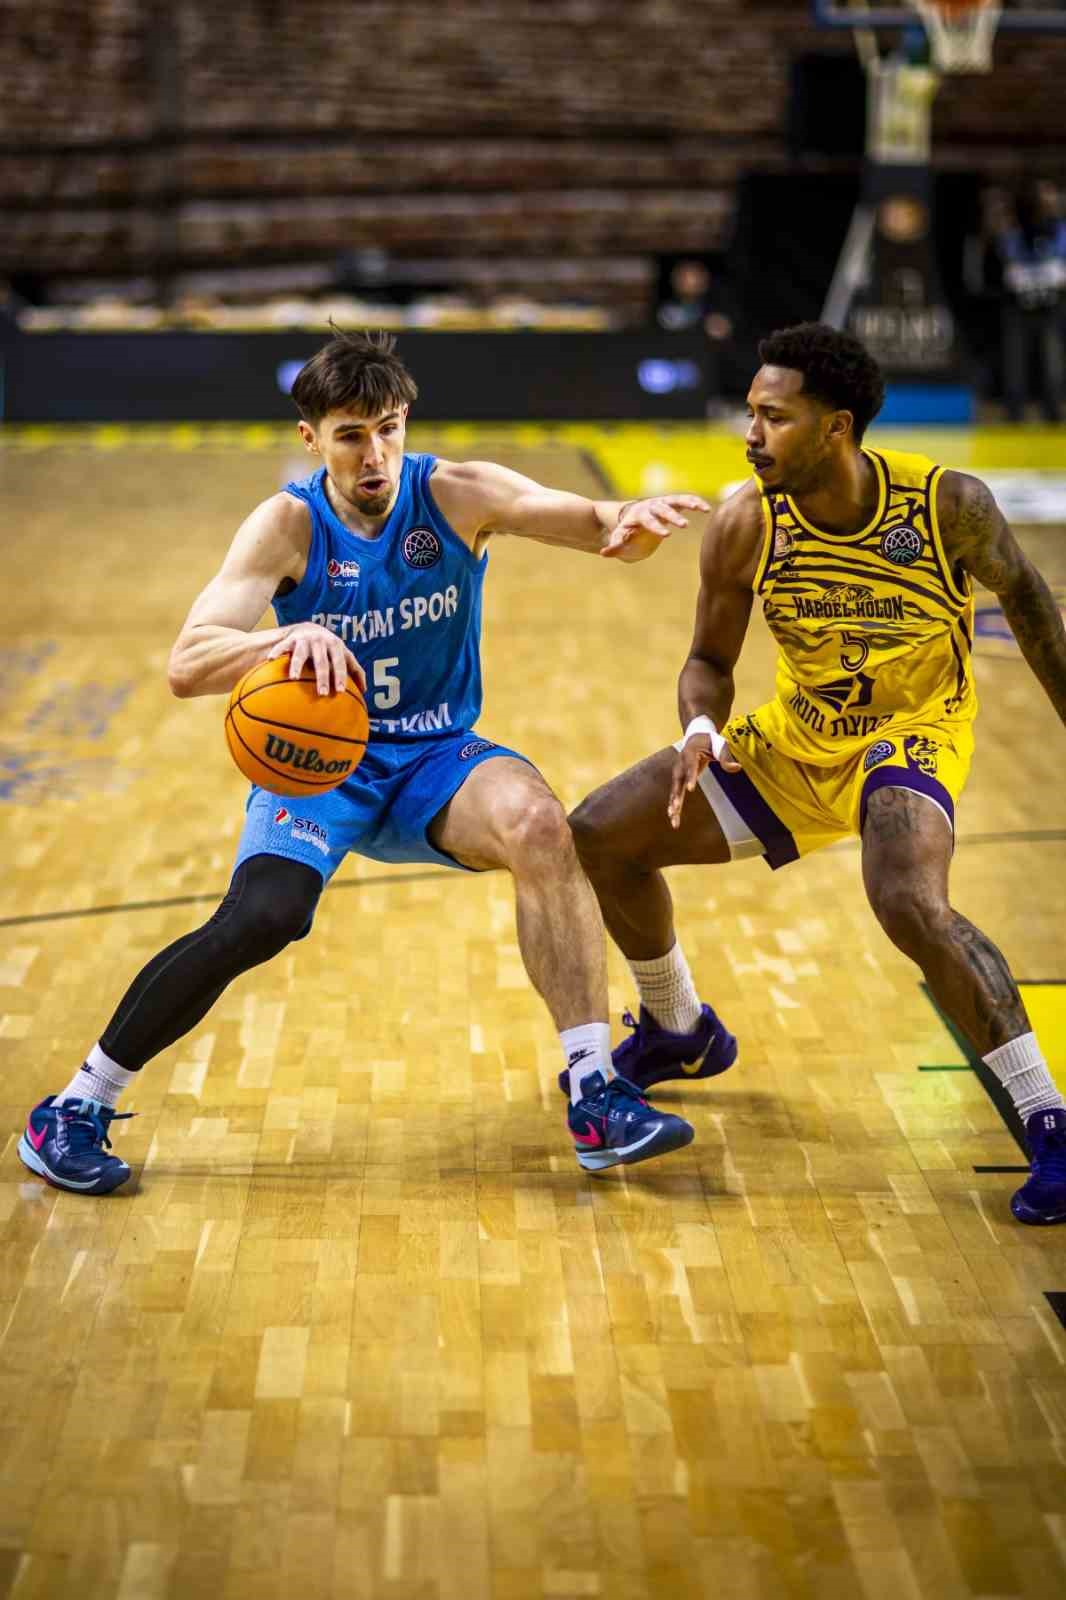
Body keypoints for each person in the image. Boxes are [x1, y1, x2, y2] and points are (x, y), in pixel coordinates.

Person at [18, 328, 710, 1195]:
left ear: (406, 422)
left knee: (540, 824)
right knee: (264, 918)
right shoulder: (289, 525)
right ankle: (75, 1107)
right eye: (351, 435)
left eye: (388, 428)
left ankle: (596, 1090)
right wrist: (284, 638)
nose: (375, 453)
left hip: (437, 757)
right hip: (322, 767)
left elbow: (587, 520)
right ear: (311, 440)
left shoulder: (456, 493)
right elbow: (187, 663)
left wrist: (627, 523)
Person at [568, 321, 1066, 1227]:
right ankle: (680, 1027)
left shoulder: (947, 505)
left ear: (836, 428)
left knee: (908, 901)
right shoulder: (746, 523)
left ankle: (1049, 1121)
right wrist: (699, 729)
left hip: (909, 735)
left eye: (773, 417)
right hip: (799, 740)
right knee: (600, 833)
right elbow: (707, 660)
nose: (750, 434)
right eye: (752, 414)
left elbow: (1028, 600)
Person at [994, 178, 1066, 423]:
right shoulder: (1012, 233)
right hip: (1017, 308)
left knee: (1052, 362)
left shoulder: (1060, 231)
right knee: (1015, 362)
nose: (1044, 204)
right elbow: (1006, 266)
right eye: (1039, 199)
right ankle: (1014, 413)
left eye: (1049, 198)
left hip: (1050, 307)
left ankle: (1053, 413)